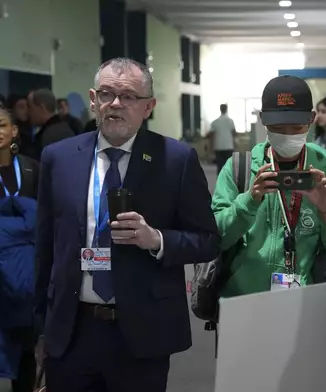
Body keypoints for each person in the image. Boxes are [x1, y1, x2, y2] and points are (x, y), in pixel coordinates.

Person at [34, 57, 220, 392]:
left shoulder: (176, 160)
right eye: (106, 94)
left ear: (149, 106)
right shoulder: (58, 158)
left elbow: (207, 239)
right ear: (93, 99)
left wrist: (156, 239)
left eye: (129, 96)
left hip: (141, 333)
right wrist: (40, 327)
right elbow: (44, 244)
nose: (115, 104)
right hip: (72, 330)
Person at [211, 75, 326, 297]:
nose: (288, 135)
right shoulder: (239, 169)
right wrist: (249, 201)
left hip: (306, 302)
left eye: (297, 127)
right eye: (278, 127)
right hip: (243, 301)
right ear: (262, 119)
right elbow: (215, 237)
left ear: (311, 118)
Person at [0, 106, 39, 392]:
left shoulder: (31, 168)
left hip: (24, 273)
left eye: (2, 125)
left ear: (14, 131)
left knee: (26, 350)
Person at [27, 89, 75, 161]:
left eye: (30, 107)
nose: (28, 112)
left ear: (41, 108)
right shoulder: (61, 128)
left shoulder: (54, 134)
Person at [6, 95, 36, 159]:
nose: (26, 110)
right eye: (21, 107)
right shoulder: (9, 131)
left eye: (28, 107)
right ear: (12, 109)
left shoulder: (34, 128)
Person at [208, 103, 236, 170]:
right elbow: (234, 133)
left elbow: (211, 136)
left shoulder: (215, 122)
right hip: (229, 146)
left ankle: (221, 180)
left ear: (220, 109)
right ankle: (228, 180)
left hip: (218, 147)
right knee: (229, 167)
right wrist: (235, 144)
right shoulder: (230, 121)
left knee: (220, 167)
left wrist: (211, 147)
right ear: (226, 109)